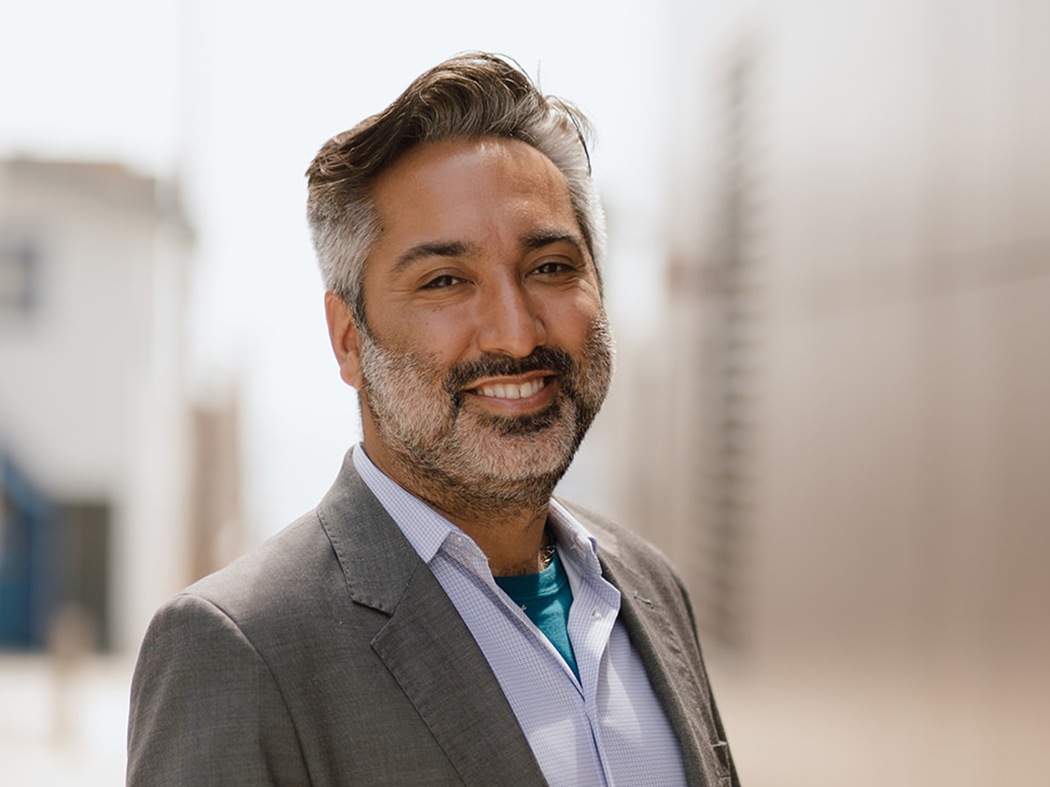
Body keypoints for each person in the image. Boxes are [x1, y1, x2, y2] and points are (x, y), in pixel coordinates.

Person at [127, 52, 739, 787]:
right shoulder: (238, 649)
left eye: (549, 267)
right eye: (445, 281)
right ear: (349, 338)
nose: (515, 334)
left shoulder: (649, 588)